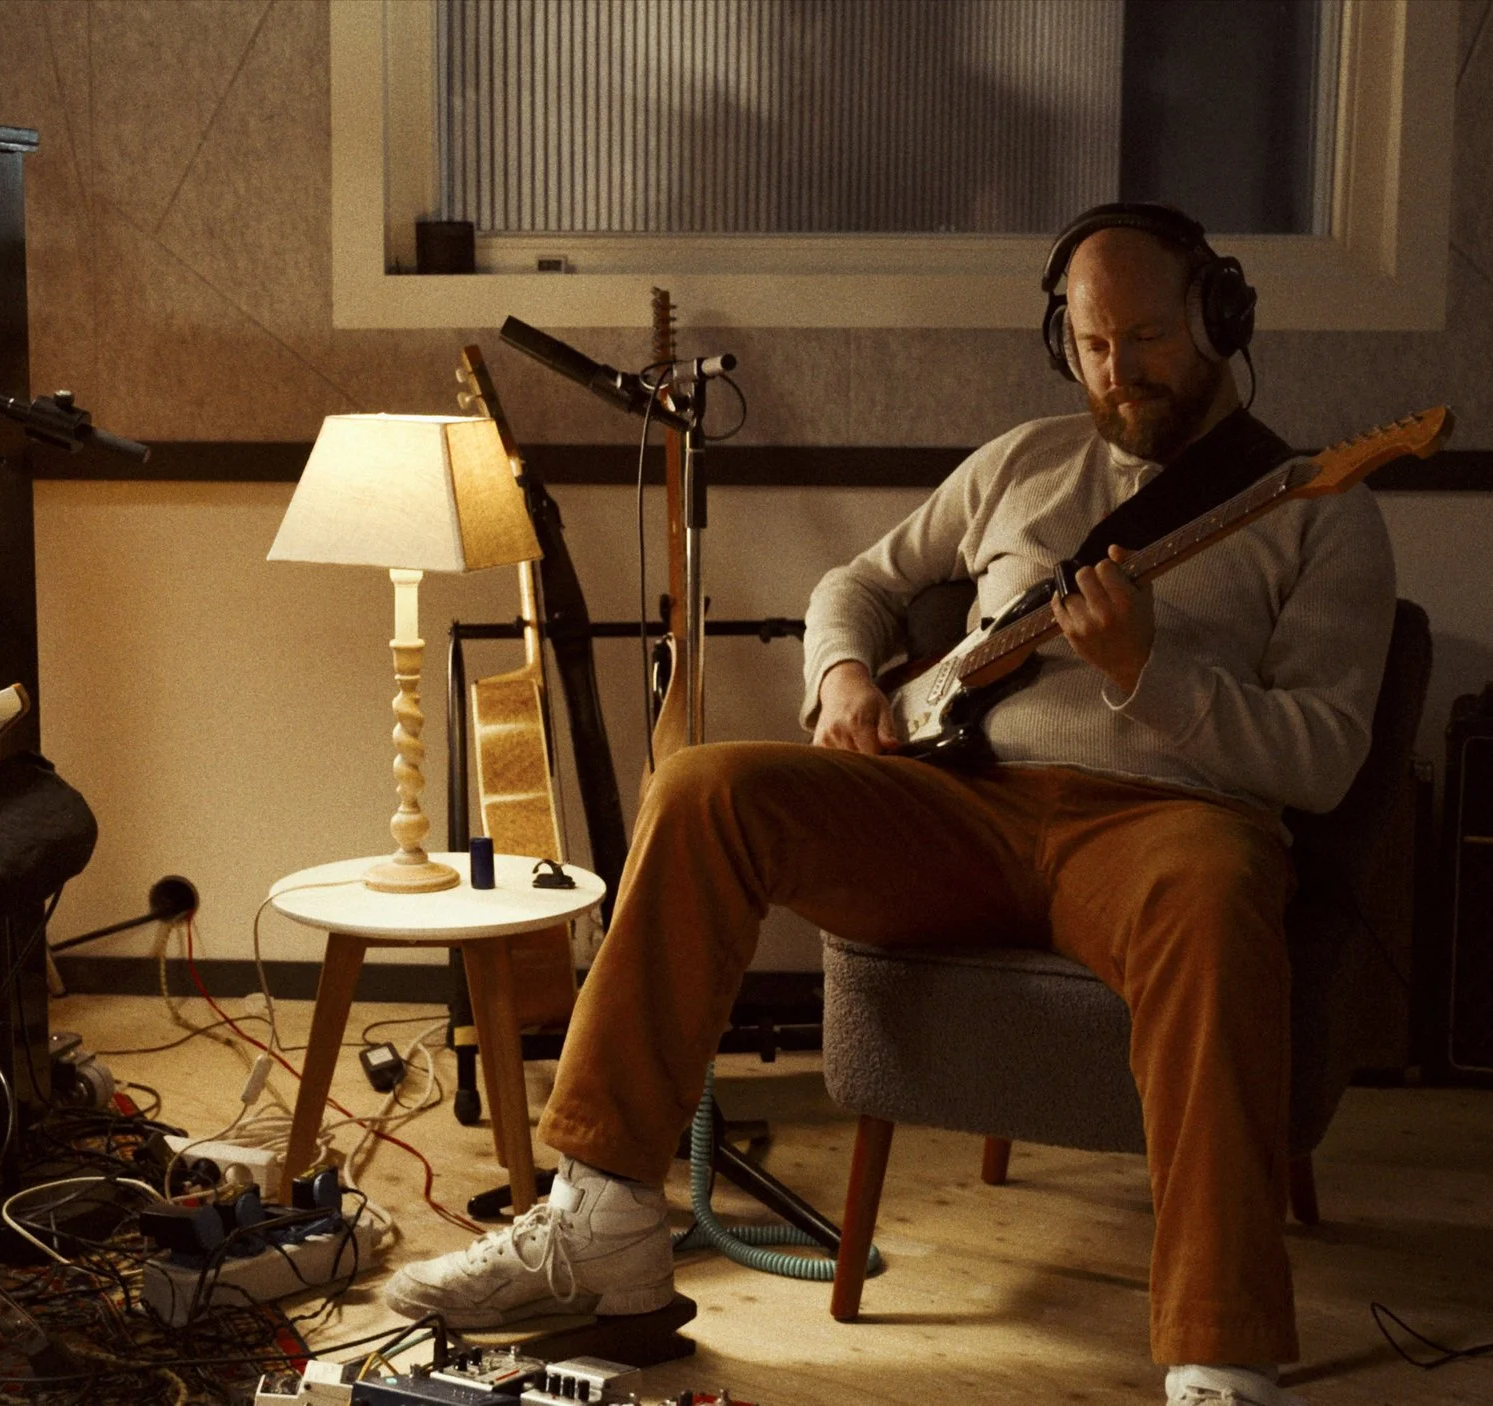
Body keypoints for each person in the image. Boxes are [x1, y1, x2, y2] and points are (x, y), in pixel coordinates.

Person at [381, 203, 1396, 1406]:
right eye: (1090, 343)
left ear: (1221, 317)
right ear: (1057, 341)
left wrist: (1149, 674)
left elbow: (1324, 757)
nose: (1118, 373)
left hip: (1163, 828)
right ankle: (604, 1219)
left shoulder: (1319, 509)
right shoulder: (1021, 461)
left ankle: (1217, 1353)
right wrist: (843, 673)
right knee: (704, 785)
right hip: (960, 806)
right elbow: (856, 581)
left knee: (1222, 893)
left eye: (1149, 337)